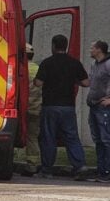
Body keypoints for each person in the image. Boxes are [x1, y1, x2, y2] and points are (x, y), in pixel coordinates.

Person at [34, 34, 89, 179]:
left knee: (48, 138)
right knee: (72, 137)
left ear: (53, 46)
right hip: (68, 106)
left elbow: (38, 83)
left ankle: (47, 170)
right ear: (65, 46)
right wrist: (72, 81)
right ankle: (80, 166)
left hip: (50, 106)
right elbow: (86, 83)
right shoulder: (74, 63)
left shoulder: (47, 63)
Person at [85, 40, 110, 182]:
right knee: (99, 140)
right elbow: (91, 82)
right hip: (94, 106)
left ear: (99, 50)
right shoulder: (94, 65)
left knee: (106, 139)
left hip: (104, 107)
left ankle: (107, 172)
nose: (90, 50)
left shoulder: (108, 64)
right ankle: (101, 171)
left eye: (92, 48)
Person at [21, 43, 41, 175]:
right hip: (37, 107)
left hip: (22, 108)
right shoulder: (38, 69)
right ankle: (33, 164)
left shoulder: (22, 69)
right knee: (32, 138)